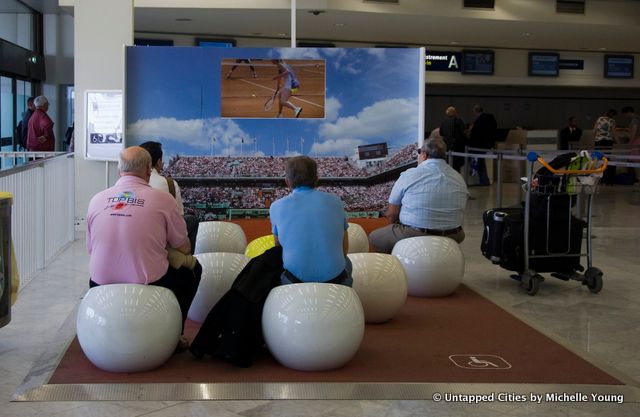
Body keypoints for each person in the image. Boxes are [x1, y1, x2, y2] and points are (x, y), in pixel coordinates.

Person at [86, 146, 201, 348]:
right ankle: (175, 335)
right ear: (149, 170)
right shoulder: (164, 199)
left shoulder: (96, 200)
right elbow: (183, 247)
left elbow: (90, 248)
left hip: (98, 283)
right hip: (149, 283)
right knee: (193, 270)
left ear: (118, 170)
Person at [369, 138, 469, 254]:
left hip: (416, 234)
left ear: (424, 154)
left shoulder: (409, 175)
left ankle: (397, 264)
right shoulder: (458, 177)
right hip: (454, 235)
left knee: (374, 237)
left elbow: (392, 214)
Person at [269, 156, 352, 286]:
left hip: (294, 280)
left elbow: (278, 246)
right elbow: (344, 248)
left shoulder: (276, 206)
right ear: (317, 179)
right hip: (337, 279)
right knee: (348, 263)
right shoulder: (336, 201)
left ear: (287, 181)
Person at [140, 140, 199, 253]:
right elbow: (179, 220)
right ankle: (188, 259)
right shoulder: (169, 183)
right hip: (162, 241)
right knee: (192, 220)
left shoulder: (123, 187)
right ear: (158, 161)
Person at [468, 104, 497, 186]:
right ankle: (484, 180)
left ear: (475, 111)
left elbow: (476, 133)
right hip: (486, 145)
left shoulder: (479, 120)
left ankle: (484, 180)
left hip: (479, 145)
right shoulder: (488, 118)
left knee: (480, 163)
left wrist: (471, 129)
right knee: (481, 162)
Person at [439, 106, 467, 172]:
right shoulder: (458, 120)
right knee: (457, 167)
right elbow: (463, 132)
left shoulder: (443, 122)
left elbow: (441, 133)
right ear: (455, 113)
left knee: (448, 166)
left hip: (447, 147)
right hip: (457, 147)